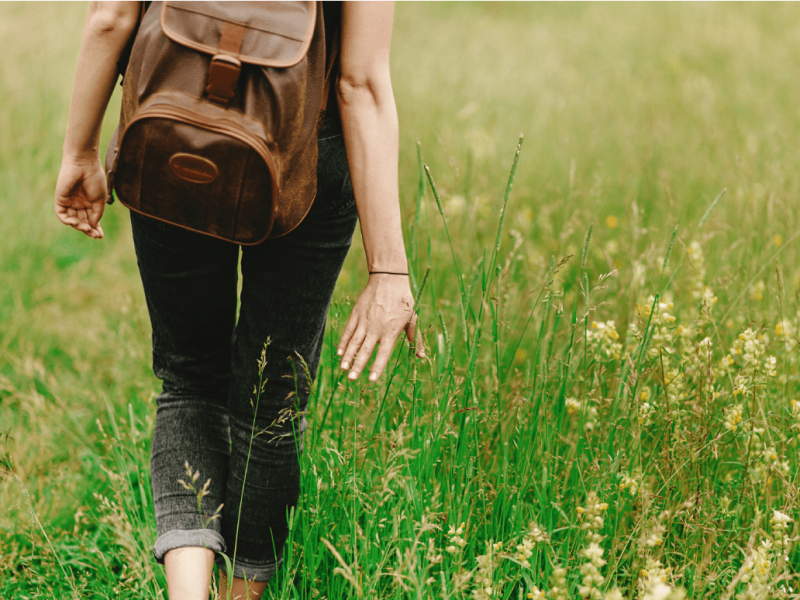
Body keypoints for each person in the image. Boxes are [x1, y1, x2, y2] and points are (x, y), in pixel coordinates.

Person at [54, 2, 424, 599]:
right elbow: (360, 82)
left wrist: (79, 152)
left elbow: (109, 17)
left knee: (188, 383)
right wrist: (388, 268)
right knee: (270, 400)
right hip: (306, 146)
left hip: (169, 125)